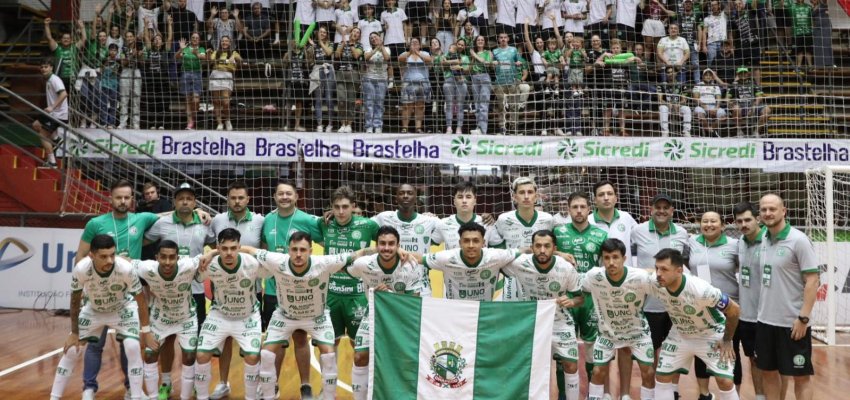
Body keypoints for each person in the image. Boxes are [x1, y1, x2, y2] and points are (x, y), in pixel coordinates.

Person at [240, 233, 373, 400]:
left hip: (316, 317)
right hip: (285, 316)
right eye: (294, 249)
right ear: (288, 250)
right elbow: (249, 249)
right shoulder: (277, 260)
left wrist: (395, 251)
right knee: (266, 354)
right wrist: (213, 254)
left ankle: (328, 397)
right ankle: (269, 395)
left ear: (310, 251)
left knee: (329, 354)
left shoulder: (323, 262)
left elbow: (358, 253)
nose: (298, 254)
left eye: (302, 250)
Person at [74, 180, 164, 400]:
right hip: (99, 293)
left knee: (129, 344)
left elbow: (169, 215)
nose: (123, 201)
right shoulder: (96, 223)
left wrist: (198, 211)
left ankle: (130, 388)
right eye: (119, 197)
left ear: (132, 199)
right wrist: (87, 285)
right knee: (95, 344)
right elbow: (81, 255)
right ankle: (89, 388)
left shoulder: (140, 219)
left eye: (127, 197)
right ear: (110, 198)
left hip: (127, 297)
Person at [49, 235, 154, 400]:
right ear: (91, 255)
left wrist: (146, 331)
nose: (110, 260)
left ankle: (136, 396)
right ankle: (55, 397)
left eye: (112, 255)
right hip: (94, 310)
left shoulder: (125, 268)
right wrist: (74, 333)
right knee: (71, 351)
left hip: (123, 308)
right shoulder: (81, 269)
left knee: (133, 347)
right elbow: (74, 302)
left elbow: (141, 301)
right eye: (103, 256)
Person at [260, 180, 325, 399]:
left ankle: (305, 385)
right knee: (275, 341)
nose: (285, 197)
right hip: (272, 290)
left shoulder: (307, 219)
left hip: (299, 290)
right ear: (275, 197)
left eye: (289, 193)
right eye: (281, 194)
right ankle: (273, 384)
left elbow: (327, 238)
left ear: (296, 197)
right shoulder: (268, 219)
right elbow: (263, 248)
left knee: (299, 338)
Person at [502, 230, 585, 400]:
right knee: (534, 368)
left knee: (570, 364)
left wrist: (571, 301)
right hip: (531, 323)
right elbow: (496, 262)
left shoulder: (565, 267)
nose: (542, 250)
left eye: (547, 246)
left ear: (554, 248)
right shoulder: (519, 263)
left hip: (560, 322)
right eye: (538, 246)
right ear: (532, 247)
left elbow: (580, 297)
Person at [651, 248, 742, 400]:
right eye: (657, 268)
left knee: (725, 381)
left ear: (679, 271)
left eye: (664, 269)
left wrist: (727, 340)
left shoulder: (701, 289)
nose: (659, 274)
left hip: (710, 333)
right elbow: (643, 273)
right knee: (662, 377)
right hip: (680, 334)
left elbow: (734, 310)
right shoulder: (656, 281)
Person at [347, 226, 423, 400]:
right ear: (376, 245)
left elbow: (414, 302)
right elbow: (345, 268)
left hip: (401, 317)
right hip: (373, 314)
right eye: (382, 244)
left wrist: (387, 297)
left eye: (391, 244)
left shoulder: (411, 266)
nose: (386, 248)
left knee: (401, 362)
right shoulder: (364, 264)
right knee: (359, 356)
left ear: (398, 245)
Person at [755, 193, 818, 400]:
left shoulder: (799, 240)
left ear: (784, 211)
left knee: (800, 377)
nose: (767, 213)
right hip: (765, 322)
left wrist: (803, 318)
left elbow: (812, 280)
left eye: (772, 209)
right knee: (769, 373)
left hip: (792, 324)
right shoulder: (763, 237)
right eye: (764, 209)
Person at [208, 181, 266, 399]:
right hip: (222, 289)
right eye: (233, 197)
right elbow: (212, 247)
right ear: (227, 199)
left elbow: (265, 251)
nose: (237, 201)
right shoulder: (217, 221)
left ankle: (256, 385)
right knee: (225, 339)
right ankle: (223, 383)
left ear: (248, 199)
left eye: (241, 197)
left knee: (252, 343)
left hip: (251, 291)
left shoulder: (260, 221)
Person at [193, 228, 264, 400]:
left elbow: (274, 268)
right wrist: (209, 255)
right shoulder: (210, 264)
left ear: (239, 247)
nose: (229, 253)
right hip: (220, 314)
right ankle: (206, 394)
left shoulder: (253, 263)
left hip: (248, 315)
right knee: (202, 355)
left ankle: (252, 395)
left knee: (253, 356)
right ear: (218, 247)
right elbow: (197, 277)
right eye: (224, 249)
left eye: (233, 248)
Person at [630, 193, 689, 400]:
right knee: (653, 349)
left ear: (672, 211)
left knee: (676, 348)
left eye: (666, 207)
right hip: (650, 304)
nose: (662, 211)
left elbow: (686, 266)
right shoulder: (637, 231)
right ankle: (657, 388)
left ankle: (672, 390)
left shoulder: (682, 233)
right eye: (658, 207)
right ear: (651, 209)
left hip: (676, 304)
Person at [582, 238, 656, 400]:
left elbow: (662, 278)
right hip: (607, 334)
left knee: (648, 372)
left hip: (638, 334)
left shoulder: (640, 277)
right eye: (607, 258)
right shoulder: (594, 276)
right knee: (597, 371)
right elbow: (577, 287)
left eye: (615, 257)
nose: (611, 262)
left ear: (624, 258)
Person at [132, 241, 202, 400]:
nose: (168, 262)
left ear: (178, 258)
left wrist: (213, 254)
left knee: (190, 356)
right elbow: (127, 262)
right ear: (156, 257)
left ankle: (187, 394)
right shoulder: (147, 268)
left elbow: (206, 256)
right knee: (150, 356)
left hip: (186, 317)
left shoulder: (188, 265)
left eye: (172, 257)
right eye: (163, 257)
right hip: (161, 317)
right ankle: (160, 390)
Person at [554, 191, 608, 392]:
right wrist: (559, 252)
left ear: (589, 209)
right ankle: (563, 396)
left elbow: (607, 265)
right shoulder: (558, 233)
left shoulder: (600, 235)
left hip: (590, 298)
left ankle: (594, 395)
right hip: (565, 297)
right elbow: (543, 250)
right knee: (563, 353)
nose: (578, 211)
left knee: (593, 350)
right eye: (574, 207)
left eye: (582, 207)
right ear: (568, 210)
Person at [319, 187, 379, 366]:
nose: (340, 211)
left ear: (353, 206)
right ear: (331, 207)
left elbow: (386, 243)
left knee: (360, 348)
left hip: (358, 295)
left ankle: (365, 391)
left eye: (345, 206)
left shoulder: (368, 225)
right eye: (336, 207)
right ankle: (327, 390)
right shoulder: (323, 224)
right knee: (328, 347)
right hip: (331, 294)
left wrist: (365, 252)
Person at [686, 211, 742, 400]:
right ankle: (704, 394)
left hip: (729, 307)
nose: (709, 224)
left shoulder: (734, 245)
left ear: (723, 225)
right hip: (700, 308)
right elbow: (688, 264)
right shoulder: (692, 242)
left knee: (730, 350)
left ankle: (735, 394)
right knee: (700, 350)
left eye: (713, 221)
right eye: (705, 221)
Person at [488, 177, 556, 301]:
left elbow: (552, 247)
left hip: (541, 276)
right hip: (512, 277)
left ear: (536, 197)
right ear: (514, 197)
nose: (526, 196)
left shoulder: (548, 219)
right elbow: (496, 248)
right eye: (521, 192)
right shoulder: (503, 219)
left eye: (530, 192)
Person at [422, 222, 522, 301]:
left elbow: (522, 251)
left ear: (483, 243)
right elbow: (418, 258)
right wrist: (405, 253)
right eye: (466, 241)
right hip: (455, 312)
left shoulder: (495, 256)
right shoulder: (447, 257)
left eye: (475, 241)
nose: (471, 245)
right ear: (460, 243)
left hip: (483, 312)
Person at [372, 183, 439, 297]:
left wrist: (480, 219)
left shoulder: (429, 221)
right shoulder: (383, 217)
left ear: (416, 197)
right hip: (390, 287)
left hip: (422, 288)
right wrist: (338, 215)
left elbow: (456, 226)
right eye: (401, 193)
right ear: (396, 198)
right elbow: (360, 224)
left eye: (410, 193)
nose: (405, 196)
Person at [596, 39, 640, 136]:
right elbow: (596, 63)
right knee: (608, 108)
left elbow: (640, 63)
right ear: (611, 49)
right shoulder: (608, 57)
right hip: (609, 86)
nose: (615, 49)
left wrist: (635, 58)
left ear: (621, 49)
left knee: (622, 109)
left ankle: (622, 130)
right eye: (613, 48)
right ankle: (606, 129)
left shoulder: (626, 57)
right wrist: (602, 56)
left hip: (622, 86)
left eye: (617, 48)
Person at [32, 58, 68, 167]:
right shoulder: (48, 79)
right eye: (42, 67)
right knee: (36, 125)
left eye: (46, 67)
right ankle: (56, 139)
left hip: (58, 114)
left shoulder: (54, 80)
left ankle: (52, 162)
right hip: (53, 113)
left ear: (51, 68)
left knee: (43, 135)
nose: (43, 69)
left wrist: (52, 107)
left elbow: (64, 94)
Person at [432, 181, 486, 250]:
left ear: (475, 201)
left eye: (468, 197)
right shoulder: (443, 224)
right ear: (454, 201)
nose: (464, 200)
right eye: (460, 197)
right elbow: (427, 245)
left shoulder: (486, 223)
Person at [142, 15, 174, 130]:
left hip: (163, 80)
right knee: (151, 102)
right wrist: (146, 25)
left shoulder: (165, 50)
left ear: (161, 41)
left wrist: (169, 24)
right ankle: (151, 124)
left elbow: (170, 38)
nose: (157, 40)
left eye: (159, 39)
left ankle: (161, 124)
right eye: (155, 39)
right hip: (151, 80)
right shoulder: (150, 49)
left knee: (162, 103)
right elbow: (146, 38)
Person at [398, 38, 433, 133]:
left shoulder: (425, 53)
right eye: (412, 43)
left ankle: (418, 127)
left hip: (423, 83)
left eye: (416, 42)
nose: (414, 44)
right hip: (408, 83)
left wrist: (417, 53)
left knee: (420, 106)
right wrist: (410, 52)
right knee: (406, 106)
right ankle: (405, 127)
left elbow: (429, 60)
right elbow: (400, 59)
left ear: (420, 45)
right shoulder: (405, 54)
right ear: (409, 45)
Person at [45, 18, 86, 96]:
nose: (66, 40)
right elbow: (49, 38)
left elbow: (84, 39)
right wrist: (47, 25)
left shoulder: (75, 47)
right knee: (60, 97)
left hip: (73, 78)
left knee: (73, 98)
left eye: (68, 38)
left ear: (71, 40)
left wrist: (82, 27)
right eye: (64, 38)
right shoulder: (57, 48)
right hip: (60, 78)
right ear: (61, 40)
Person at [208, 35, 242, 131]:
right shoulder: (216, 52)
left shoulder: (233, 53)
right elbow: (211, 61)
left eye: (226, 41)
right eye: (223, 41)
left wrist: (234, 58)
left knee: (225, 102)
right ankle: (219, 123)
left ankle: (227, 120)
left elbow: (240, 61)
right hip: (215, 75)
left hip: (227, 76)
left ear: (230, 43)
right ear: (220, 43)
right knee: (216, 102)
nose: (224, 43)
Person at [491, 32, 522, 134]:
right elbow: (491, 67)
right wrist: (493, 64)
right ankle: (502, 127)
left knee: (514, 106)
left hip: (512, 81)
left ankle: (514, 127)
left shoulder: (514, 50)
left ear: (508, 39)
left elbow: (520, 62)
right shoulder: (494, 51)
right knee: (501, 106)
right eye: (501, 37)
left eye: (505, 37)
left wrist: (518, 63)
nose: (503, 39)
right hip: (499, 82)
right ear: (498, 39)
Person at [335, 27, 364, 133]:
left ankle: (349, 125)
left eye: (358, 32)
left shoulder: (360, 45)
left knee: (351, 101)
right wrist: (343, 43)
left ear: (359, 36)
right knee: (341, 100)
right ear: (350, 33)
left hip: (353, 74)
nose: (355, 33)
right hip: (341, 74)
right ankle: (342, 123)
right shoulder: (341, 42)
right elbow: (337, 55)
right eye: (354, 31)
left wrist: (351, 45)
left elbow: (356, 55)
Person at [728, 67, 771, 137]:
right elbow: (727, 97)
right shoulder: (733, 84)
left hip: (753, 105)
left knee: (767, 110)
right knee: (736, 108)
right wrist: (730, 102)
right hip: (740, 105)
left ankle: (756, 132)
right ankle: (739, 131)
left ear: (747, 74)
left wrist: (754, 105)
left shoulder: (753, 83)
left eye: (744, 73)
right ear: (738, 74)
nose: (743, 74)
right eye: (741, 73)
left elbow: (759, 96)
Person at [439, 39, 470, 134]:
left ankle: (459, 128)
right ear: (455, 45)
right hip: (448, 80)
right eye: (459, 44)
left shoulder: (465, 57)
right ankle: (449, 127)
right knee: (449, 105)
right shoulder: (446, 55)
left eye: (462, 45)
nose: (460, 46)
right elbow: (442, 64)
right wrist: (457, 62)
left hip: (461, 81)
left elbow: (467, 70)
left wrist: (459, 67)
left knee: (460, 106)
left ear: (464, 47)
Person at [176, 32, 206, 130]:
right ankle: (190, 122)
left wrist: (196, 53)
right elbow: (176, 57)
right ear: (190, 39)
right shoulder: (185, 48)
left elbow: (203, 58)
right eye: (193, 37)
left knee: (196, 99)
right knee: (188, 100)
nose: (195, 39)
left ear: (199, 40)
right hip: (185, 74)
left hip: (197, 74)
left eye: (197, 38)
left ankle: (194, 118)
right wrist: (181, 48)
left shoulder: (201, 49)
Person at [310, 25, 337, 132]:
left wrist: (320, 43)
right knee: (318, 99)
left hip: (329, 70)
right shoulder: (314, 45)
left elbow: (329, 53)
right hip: (317, 70)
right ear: (317, 33)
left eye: (324, 32)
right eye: (320, 32)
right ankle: (319, 124)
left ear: (327, 34)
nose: (322, 34)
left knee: (329, 98)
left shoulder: (330, 44)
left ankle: (330, 124)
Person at [138, 182, 174, 261]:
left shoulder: (165, 204)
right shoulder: (140, 208)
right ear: (144, 196)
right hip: (145, 244)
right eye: (147, 193)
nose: (150, 195)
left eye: (152, 192)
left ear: (157, 192)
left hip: (161, 242)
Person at [363, 32, 390, 133]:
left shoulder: (386, 49)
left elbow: (387, 58)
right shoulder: (368, 49)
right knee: (369, 103)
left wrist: (381, 47)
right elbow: (366, 58)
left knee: (379, 103)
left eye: (375, 37)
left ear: (379, 37)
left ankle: (378, 125)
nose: (373, 39)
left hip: (382, 79)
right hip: (369, 79)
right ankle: (369, 126)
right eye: (371, 38)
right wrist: (375, 49)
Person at [119, 30, 144, 129]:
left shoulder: (139, 47)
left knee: (136, 99)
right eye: (127, 36)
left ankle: (135, 123)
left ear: (134, 38)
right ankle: (123, 123)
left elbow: (142, 63)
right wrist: (132, 55)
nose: (129, 38)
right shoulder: (123, 49)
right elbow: (122, 63)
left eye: (131, 36)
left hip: (137, 71)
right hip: (125, 71)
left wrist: (139, 55)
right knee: (124, 99)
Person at [658, 65, 693, 137]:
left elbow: (684, 100)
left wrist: (678, 104)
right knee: (662, 108)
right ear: (666, 74)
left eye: (672, 72)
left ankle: (686, 131)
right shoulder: (661, 85)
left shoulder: (682, 85)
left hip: (678, 107)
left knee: (687, 109)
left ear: (676, 73)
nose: (670, 74)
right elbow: (660, 100)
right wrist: (667, 103)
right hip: (668, 107)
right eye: (668, 72)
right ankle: (665, 132)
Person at [381, 0, 408, 87]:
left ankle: (403, 79)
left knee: (402, 61)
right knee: (390, 63)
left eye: (392, 0)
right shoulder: (383, 14)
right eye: (388, 0)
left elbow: (405, 26)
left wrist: (407, 39)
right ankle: (391, 81)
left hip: (400, 40)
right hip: (388, 41)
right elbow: (382, 28)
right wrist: (384, 28)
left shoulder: (400, 11)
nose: (390, 2)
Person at [468, 35, 492, 134]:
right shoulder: (473, 54)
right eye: (478, 40)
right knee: (477, 105)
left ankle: (483, 130)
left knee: (483, 105)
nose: (480, 41)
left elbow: (486, 63)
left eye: (482, 40)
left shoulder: (488, 52)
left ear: (485, 42)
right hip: (474, 77)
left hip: (484, 77)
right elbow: (469, 69)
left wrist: (474, 55)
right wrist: (473, 58)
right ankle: (478, 127)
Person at [283, 43, 310, 131]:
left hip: (300, 81)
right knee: (289, 103)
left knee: (299, 103)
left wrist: (305, 50)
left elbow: (307, 64)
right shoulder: (289, 53)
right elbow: (284, 64)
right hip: (291, 81)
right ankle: (287, 124)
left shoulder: (303, 53)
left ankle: (297, 125)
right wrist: (287, 55)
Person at [692, 68, 727, 135]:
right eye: (706, 75)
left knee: (722, 115)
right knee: (699, 114)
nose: (708, 77)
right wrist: (705, 107)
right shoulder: (698, 85)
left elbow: (718, 99)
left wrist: (716, 108)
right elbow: (696, 98)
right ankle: (711, 132)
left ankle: (710, 130)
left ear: (712, 77)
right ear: (702, 76)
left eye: (710, 75)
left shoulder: (715, 86)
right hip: (702, 106)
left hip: (713, 106)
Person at [700, 0, 728, 67]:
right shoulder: (707, 19)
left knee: (724, 64)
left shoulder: (724, 15)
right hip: (711, 44)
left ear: (719, 5)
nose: (714, 6)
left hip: (723, 43)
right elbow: (704, 32)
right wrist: (704, 46)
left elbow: (728, 6)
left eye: (715, 5)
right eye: (712, 5)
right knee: (711, 64)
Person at [790, 0, 814, 68]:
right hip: (797, 33)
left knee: (808, 51)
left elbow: (812, 20)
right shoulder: (792, 7)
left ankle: (810, 67)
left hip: (808, 33)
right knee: (799, 51)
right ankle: (798, 67)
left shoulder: (809, 7)